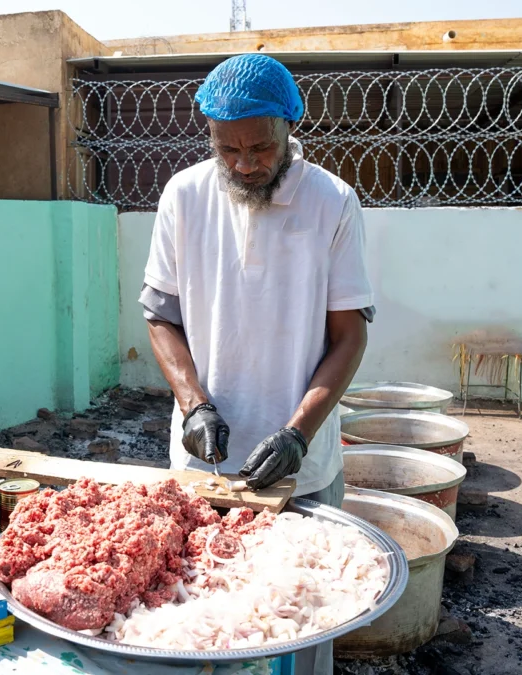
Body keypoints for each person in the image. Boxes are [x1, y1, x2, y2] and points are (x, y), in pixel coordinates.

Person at [140, 53, 374, 674]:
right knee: (204, 622)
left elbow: (348, 337)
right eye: (228, 149)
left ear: (291, 127)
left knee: (298, 623)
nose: (245, 164)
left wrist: (298, 433)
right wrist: (194, 404)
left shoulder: (333, 201)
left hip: (302, 470)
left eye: (260, 148)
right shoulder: (184, 197)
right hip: (204, 467)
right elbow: (160, 316)